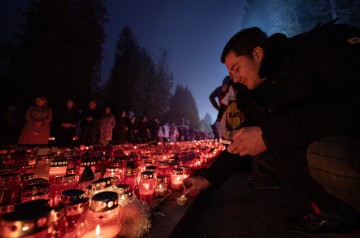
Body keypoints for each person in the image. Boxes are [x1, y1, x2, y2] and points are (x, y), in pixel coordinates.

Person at [184, 20, 360, 233]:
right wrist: (208, 179)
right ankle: (336, 210)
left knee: (321, 155)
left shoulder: (315, 49)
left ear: (257, 54)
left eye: (236, 68)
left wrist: (269, 134)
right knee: (254, 143)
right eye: (230, 74)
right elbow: (244, 137)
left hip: (347, 145)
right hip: (329, 143)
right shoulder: (261, 92)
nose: (235, 78)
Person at [209, 76, 230, 140]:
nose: (224, 89)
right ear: (222, 85)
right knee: (224, 133)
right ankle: (227, 147)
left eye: (227, 88)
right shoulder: (218, 90)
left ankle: (231, 146)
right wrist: (217, 107)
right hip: (223, 113)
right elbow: (211, 97)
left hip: (231, 113)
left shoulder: (232, 92)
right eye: (224, 87)